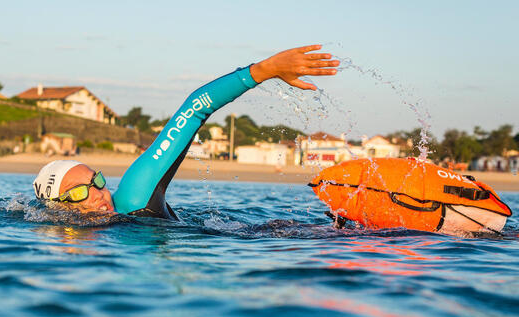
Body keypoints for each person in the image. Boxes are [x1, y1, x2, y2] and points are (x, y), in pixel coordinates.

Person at [32, 45, 339, 219]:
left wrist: (265, 69)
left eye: (96, 180)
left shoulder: (133, 196)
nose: (100, 193)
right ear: (59, 209)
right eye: (81, 192)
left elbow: (193, 109)